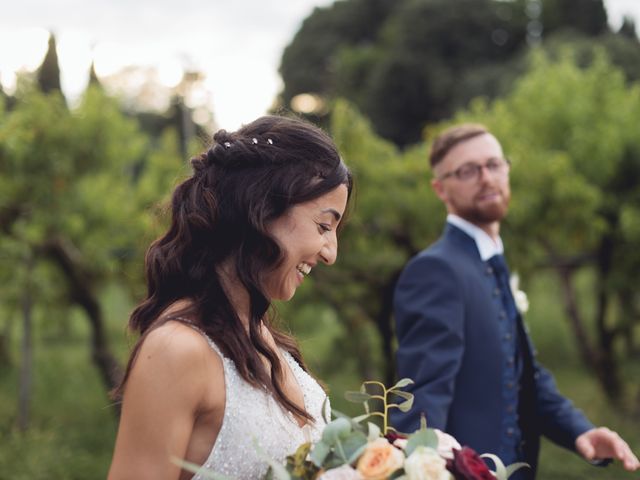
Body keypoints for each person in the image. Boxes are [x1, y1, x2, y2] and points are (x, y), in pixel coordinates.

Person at [108, 115, 352, 480]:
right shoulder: (177, 349)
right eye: (323, 226)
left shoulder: (265, 340)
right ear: (262, 207)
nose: (331, 253)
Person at [391, 123, 639, 478]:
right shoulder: (435, 270)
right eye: (468, 171)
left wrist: (580, 430)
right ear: (440, 189)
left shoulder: (492, 262)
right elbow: (423, 399)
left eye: (494, 165)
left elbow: (521, 375)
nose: (486, 178)